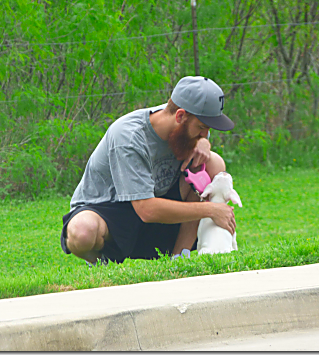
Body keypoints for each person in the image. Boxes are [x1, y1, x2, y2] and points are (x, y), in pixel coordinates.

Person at [60, 76, 236, 265]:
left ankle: (179, 259)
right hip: (112, 209)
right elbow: (146, 210)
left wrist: (204, 143)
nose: (205, 133)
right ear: (180, 116)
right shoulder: (129, 137)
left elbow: (203, 145)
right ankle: (102, 265)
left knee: (213, 163)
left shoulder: (186, 121)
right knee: (82, 232)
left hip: (154, 207)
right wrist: (210, 210)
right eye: (202, 127)